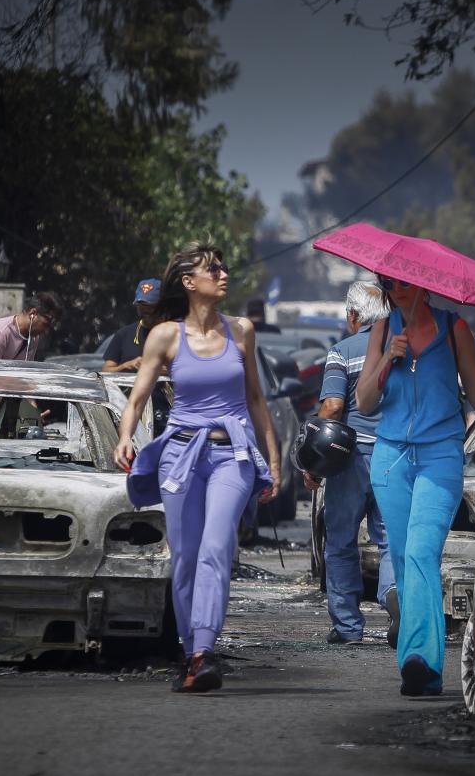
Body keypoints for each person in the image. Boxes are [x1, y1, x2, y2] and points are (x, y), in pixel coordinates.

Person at [114, 242, 280, 694]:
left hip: (233, 455)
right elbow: (138, 398)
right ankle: (191, 654)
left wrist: (275, 458)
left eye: (225, 267)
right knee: (185, 557)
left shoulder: (242, 331)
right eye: (214, 269)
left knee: (215, 547)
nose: (224, 274)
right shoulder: (165, 336)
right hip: (181, 455)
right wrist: (126, 437)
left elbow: (256, 399)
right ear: (189, 282)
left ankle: (204, 650)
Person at [357, 276, 475, 697]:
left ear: (423, 285)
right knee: (405, 561)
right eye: (388, 282)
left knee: (421, 551)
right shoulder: (383, 330)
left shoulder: (454, 328)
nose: (396, 287)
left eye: (404, 281)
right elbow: (364, 402)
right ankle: (418, 661)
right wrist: (388, 357)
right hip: (390, 459)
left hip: (440, 455)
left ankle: (419, 659)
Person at [302, 281, 399, 647]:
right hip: (394, 458)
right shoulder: (399, 350)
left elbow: (332, 409)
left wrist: (312, 463)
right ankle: (394, 600)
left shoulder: (342, 352)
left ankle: (347, 628)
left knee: (340, 542)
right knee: (391, 542)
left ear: (354, 316)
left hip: (350, 460)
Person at [0, 291, 63, 437]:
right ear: (33, 313)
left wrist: (33, 411)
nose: (46, 330)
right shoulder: (0, 333)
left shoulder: (33, 339)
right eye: (47, 323)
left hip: (10, 409)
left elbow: (24, 379)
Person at [102, 279, 161, 372]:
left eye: (150, 305)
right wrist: (127, 365)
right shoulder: (123, 334)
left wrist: (158, 369)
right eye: (141, 304)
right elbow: (106, 370)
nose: (145, 309)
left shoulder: (174, 334)